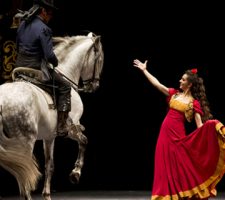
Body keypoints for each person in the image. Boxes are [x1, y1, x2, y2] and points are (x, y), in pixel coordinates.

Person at [133, 59, 225, 200]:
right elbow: (157, 84)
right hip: (164, 138)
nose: (179, 81)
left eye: (183, 79)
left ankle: (179, 196)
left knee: (179, 171)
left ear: (189, 84)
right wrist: (145, 71)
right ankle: (162, 197)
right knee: (162, 168)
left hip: (178, 140)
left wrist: (211, 128)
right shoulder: (174, 94)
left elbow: (200, 128)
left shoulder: (194, 103)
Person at [15, 0, 71, 136]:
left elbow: (17, 47)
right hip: (35, 68)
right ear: (43, 12)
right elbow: (49, 55)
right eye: (50, 14)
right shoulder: (44, 29)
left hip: (19, 67)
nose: (50, 18)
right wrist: (55, 63)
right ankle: (62, 125)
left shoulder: (23, 24)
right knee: (65, 86)